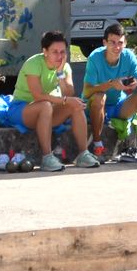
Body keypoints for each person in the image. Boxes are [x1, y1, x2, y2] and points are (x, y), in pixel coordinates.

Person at [82, 24, 137, 163]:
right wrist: (111, 84)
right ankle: (97, 147)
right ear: (104, 42)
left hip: (119, 106)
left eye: (120, 43)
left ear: (125, 43)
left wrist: (136, 85)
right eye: (112, 42)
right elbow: (87, 92)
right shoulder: (95, 57)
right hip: (95, 106)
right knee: (100, 97)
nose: (117, 47)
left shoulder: (128, 56)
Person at [15, 30, 98, 171]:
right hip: (22, 109)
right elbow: (38, 95)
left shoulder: (65, 67)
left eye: (62, 52)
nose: (59, 56)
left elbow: (69, 94)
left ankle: (83, 154)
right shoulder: (33, 63)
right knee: (46, 105)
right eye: (55, 52)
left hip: (47, 111)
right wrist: (64, 100)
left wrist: (59, 73)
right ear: (45, 51)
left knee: (76, 105)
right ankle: (47, 157)